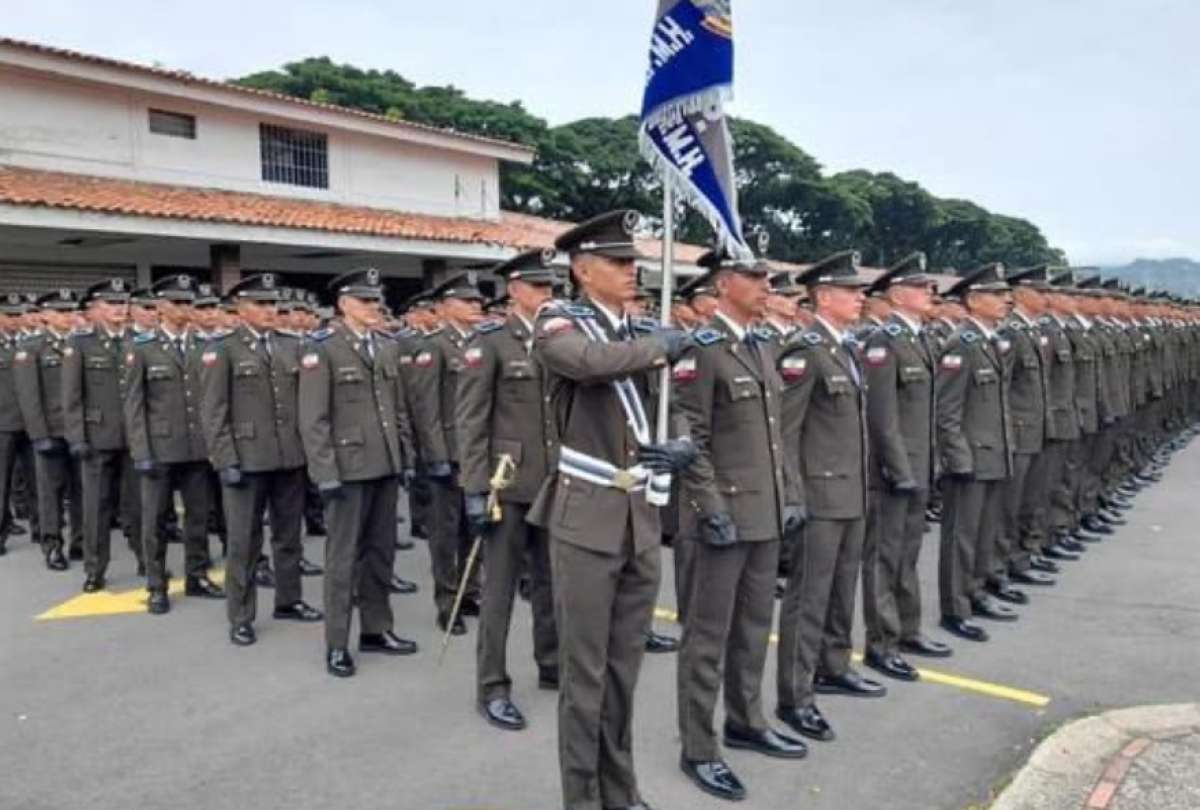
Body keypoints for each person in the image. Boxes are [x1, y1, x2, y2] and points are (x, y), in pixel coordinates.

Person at [531, 209, 696, 810]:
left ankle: (619, 791)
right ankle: (583, 799)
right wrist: (658, 348)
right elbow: (585, 365)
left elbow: (667, 404)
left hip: (638, 519)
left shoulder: (639, 329)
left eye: (634, 263)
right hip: (585, 517)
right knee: (585, 677)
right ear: (581, 270)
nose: (633, 271)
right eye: (619, 263)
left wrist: (679, 442)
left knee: (624, 672)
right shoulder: (558, 322)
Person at [673, 247, 807, 802]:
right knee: (707, 636)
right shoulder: (702, 350)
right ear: (724, 284)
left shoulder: (762, 344)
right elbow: (690, 440)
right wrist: (710, 508)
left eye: (767, 277)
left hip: (764, 513)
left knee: (753, 627)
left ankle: (746, 720)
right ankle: (699, 748)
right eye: (755, 277)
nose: (766, 285)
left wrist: (791, 496)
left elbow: (778, 437)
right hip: (723, 513)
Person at [776, 250, 880, 749]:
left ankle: (834, 665)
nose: (860, 297)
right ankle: (795, 697)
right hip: (819, 495)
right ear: (823, 297)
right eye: (850, 290)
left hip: (851, 492)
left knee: (842, 588)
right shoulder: (805, 349)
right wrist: (793, 496)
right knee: (808, 598)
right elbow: (787, 432)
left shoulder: (845, 347)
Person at [455, 248, 561, 731]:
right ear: (515, 290)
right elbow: (471, 420)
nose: (548, 296)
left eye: (552, 288)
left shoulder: (561, 337)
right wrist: (475, 488)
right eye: (539, 287)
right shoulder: (490, 342)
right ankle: (492, 685)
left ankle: (552, 662)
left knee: (551, 581)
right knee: (497, 588)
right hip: (506, 481)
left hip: (554, 481)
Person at [298, 267, 418, 678]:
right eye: (365, 301)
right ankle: (336, 643)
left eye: (376, 300)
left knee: (380, 553)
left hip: (383, 466)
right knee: (342, 559)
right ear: (344, 304)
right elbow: (313, 420)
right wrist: (324, 472)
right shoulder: (323, 350)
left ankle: (376, 629)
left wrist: (404, 457)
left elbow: (396, 409)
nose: (374, 307)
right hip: (346, 470)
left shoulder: (385, 347)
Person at [200, 273, 324, 647]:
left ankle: (289, 599)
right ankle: (240, 614)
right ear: (240, 309)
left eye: (274, 305)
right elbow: (213, 411)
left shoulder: (292, 345)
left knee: (289, 537)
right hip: (246, 459)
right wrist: (225, 460)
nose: (271, 311)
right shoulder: (221, 349)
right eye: (261, 304)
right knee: (244, 542)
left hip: (289, 457)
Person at [860, 252, 953, 682]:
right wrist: (899, 470)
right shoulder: (885, 342)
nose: (931, 293)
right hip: (895, 471)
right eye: (922, 287)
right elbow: (882, 416)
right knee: (886, 557)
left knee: (908, 555)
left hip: (919, 466)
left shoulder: (918, 338)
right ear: (898, 295)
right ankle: (882, 643)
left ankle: (908, 629)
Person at [124, 274, 224, 615]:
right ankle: (156, 585)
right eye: (178, 303)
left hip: (197, 447)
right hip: (160, 448)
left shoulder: (203, 345)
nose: (186, 309)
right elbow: (134, 405)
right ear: (162, 306)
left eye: (189, 302)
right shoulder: (142, 348)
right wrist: (141, 451)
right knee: (155, 521)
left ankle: (197, 575)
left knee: (197, 517)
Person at [935, 263, 1017, 644]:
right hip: (970, 459)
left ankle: (977, 592)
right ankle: (956, 608)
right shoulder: (961, 345)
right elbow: (947, 412)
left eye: (1005, 295)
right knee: (962, 538)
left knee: (985, 532)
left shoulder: (991, 341)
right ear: (973, 300)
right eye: (997, 295)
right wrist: (959, 460)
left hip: (994, 454)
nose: (1006, 301)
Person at [407, 273, 487, 634]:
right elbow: (425, 407)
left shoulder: (481, 343)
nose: (477, 306)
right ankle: (447, 602)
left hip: (477, 452)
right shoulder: (435, 346)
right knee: (445, 531)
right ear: (445, 307)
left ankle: (470, 592)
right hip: (449, 453)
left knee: (475, 527)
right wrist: (435, 455)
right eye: (468, 301)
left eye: (477, 301)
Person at [62, 278, 141, 591]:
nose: (119, 309)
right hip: (97, 438)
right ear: (95, 309)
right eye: (111, 303)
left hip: (134, 439)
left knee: (139, 506)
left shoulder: (139, 340)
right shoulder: (80, 344)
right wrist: (77, 438)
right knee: (97, 508)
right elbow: (72, 398)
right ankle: (95, 569)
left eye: (122, 303)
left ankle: (147, 560)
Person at [14, 289, 85, 570]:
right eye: (61, 312)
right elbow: (28, 397)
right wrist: (39, 435)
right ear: (45, 316)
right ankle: (52, 544)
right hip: (51, 431)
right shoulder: (31, 348)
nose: (67, 317)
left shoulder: (81, 344)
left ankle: (80, 541)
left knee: (82, 490)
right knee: (50, 492)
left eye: (70, 311)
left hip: (78, 431)